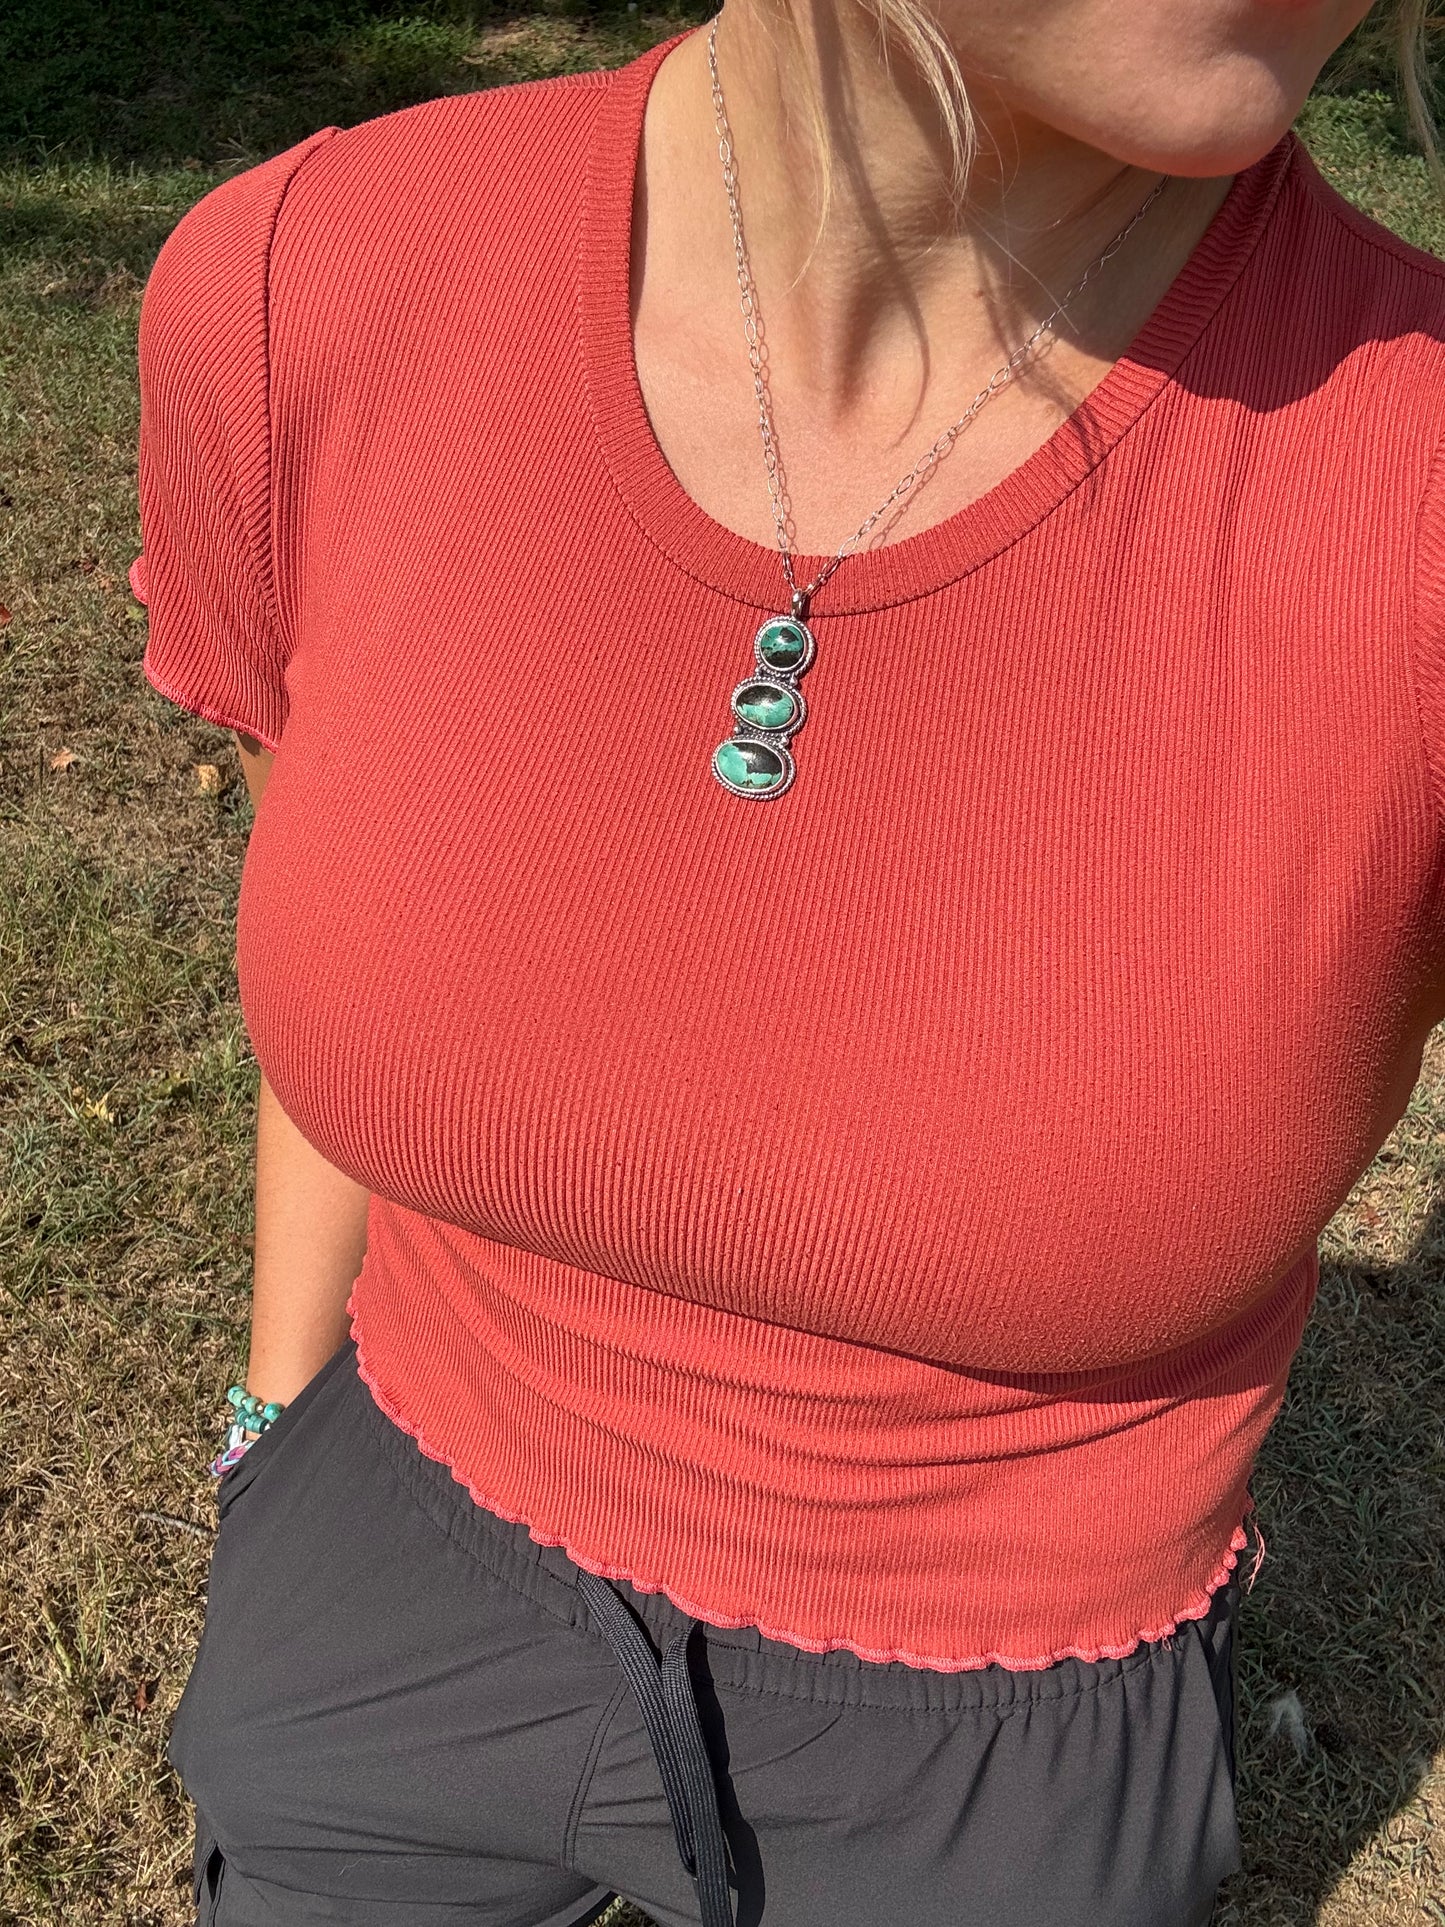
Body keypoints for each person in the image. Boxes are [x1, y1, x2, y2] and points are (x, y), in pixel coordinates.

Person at [129, 1, 1445, 1922]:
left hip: (986, 1751)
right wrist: (277, 1425)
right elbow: (329, 971)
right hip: (375, 1556)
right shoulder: (312, 274)